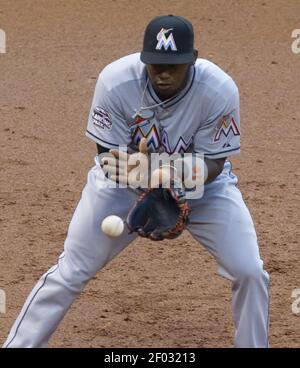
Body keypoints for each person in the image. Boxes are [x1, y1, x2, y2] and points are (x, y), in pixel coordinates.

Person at [3, 15, 270, 348]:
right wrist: (135, 172)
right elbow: (107, 156)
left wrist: (169, 175)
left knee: (249, 271)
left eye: (174, 65)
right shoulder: (115, 81)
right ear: (144, 58)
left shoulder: (218, 90)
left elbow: (215, 161)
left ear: (193, 60)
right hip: (122, 186)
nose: (163, 72)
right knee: (70, 270)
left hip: (204, 189)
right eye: (155, 64)